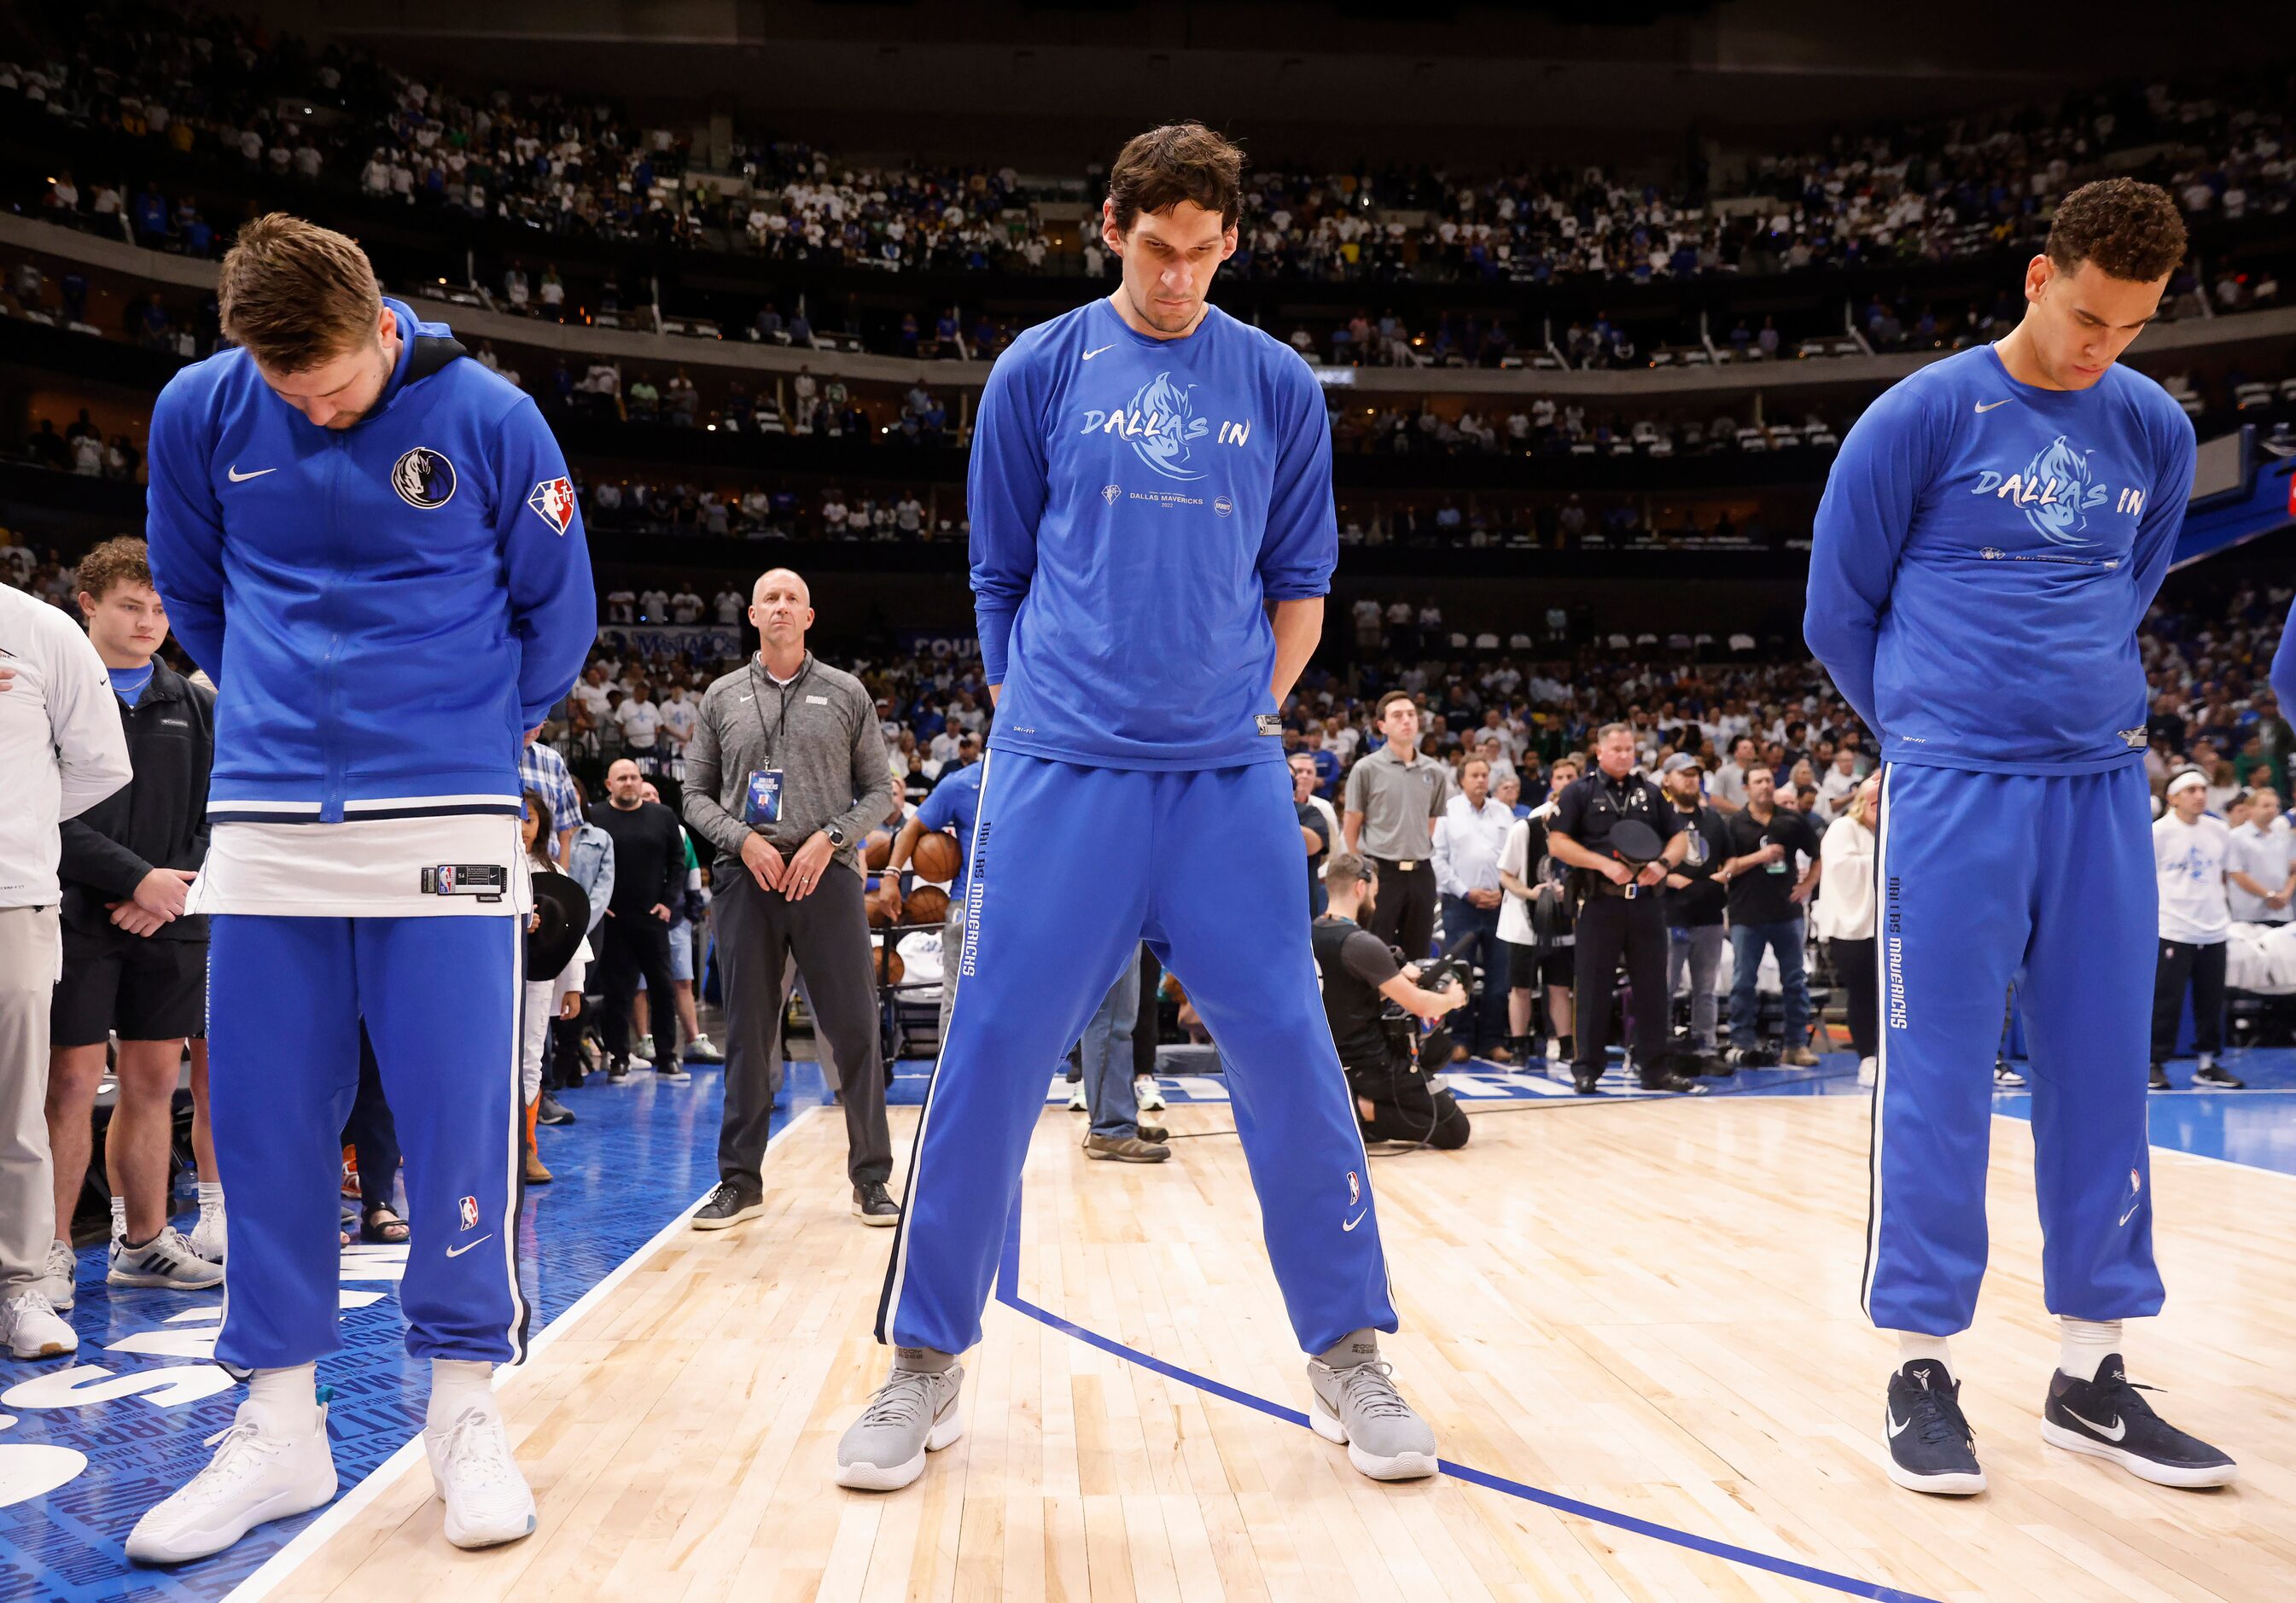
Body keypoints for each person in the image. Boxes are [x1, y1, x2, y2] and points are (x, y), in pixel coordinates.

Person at [843, 124, 1437, 1495]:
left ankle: (1348, 1350)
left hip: (1225, 780)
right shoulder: (1037, 368)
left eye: (1201, 254)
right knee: (988, 1051)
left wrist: (1249, 711)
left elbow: (1301, 585)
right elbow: (996, 571)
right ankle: (922, 1361)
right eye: (1154, 250)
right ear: (1112, 228)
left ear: (1229, 244)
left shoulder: (1278, 383)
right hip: (1059, 776)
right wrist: (1033, 710)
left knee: (1291, 1049)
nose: (1176, 278)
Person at [136, 213, 595, 1559]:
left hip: (444, 807)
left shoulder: (495, 417)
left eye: (335, 384)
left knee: (458, 1116)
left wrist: (454, 728)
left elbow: (556, 611)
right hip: (269, 815)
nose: (318, 409)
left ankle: (462, 1410)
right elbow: (194, 592)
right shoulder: (195, 412)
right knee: (270, 1117)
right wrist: (285, 713)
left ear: (381, 320)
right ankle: (280, 1424)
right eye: (292, 395)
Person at [1805, 178, 2235, 1496]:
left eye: (2135, 325)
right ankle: (1921, 1365)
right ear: (2039, 274)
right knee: (1935, 1072)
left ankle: (2090, 1372)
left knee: (2106, 1068)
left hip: (2100, 786)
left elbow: (2131, 585)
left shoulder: (2152, 429)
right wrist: (1933, 737)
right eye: (2089, 315)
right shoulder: (1923, 413)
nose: (2104, 345)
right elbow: (1837, 609)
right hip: (1956, 789)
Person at [683, 568, 898, 1228]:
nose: (780, 607)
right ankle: (740, 1183)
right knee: (747, 1034)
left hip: (824, 876)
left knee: (856, 1029)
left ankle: (872, 1182)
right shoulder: (720, 697)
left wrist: (827, 840)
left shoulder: (846, 692)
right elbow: (692, 796)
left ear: (809, 616)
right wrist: (745, 841)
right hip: (746, 880)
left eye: (792, 599)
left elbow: (881, 793)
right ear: (752, 615)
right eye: (769, 598)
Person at [43, 538, 224, 1314]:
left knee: (155, 1084)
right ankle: (43, 1256)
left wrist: (167, 889)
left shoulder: (196, 703)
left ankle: (143, 1241)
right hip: (76, 911)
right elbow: (34, 811)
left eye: (159, 608)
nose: (148, 621)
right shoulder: (53, 693)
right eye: (130, 605)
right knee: (70, 1087)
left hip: (170, 915)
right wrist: (132, 879)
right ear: (87, 603)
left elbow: (224, 814)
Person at [0, 575, 132, 1361]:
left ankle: (18, 1286)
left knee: (18, 1107)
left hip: (12, 896)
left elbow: (98, 765)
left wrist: (17, 820)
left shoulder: (41, 628)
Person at [1546, 725, 1698, 1095]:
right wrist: (1600, 864)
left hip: (1646, 902)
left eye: (1630, 749)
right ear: (1599, 752)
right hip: (1600, 901)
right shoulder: (1580, 792)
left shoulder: (1649, 792)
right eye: (1616, 749)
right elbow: (1557, 843)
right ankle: (1587, 1069)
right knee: (1593, 988)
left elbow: (1679, 837)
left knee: (1652, 989)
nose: (1624, 755)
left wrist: (1662, 864)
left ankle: (1655, 1069)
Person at [1317, 854, 1470, 1149]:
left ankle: (1358, 1110)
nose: (1375, 902)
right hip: (1372, 1064)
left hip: (1332, 1062)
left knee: (1391, 1125)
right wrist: (1452, 999)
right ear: (1361, 888)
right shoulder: (1360, 942)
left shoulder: (1311, 934)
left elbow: (1342, 992)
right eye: (1374, 893)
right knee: (1455, 1130)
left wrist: (1390, 983)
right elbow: (1422, 1006)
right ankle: (1361, 1110)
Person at [587, 760, 689, 1080]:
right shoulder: (595, 816)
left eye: (633, 777)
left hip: (652, 917)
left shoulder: (663, 816)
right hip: (613, 918)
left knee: (662, 988)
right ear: (609, 785)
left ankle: (667, 1055)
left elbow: (677, 862)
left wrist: (667, 902)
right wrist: (597, 904)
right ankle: (618, 1057)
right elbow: (585, 861)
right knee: (618, 992)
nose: (629, 782)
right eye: (622, 778)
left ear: (640, 780)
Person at [1717, 767, 1823, 1068]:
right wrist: (1759, 858)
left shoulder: (1790, 819)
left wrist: (1807, 886)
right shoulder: (1735, 824)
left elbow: (1818, 855)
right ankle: (1742, 1043)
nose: (1764, 786)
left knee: (1794, 981)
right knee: (1743, 982)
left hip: (1786, 913)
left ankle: (1795, 1045)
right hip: (1746, 913)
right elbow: (1726, 867)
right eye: (1757, 781)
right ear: (1745, 788)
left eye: (1768, 781)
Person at [2151, 769, 2244, 1090]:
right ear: (2173, 797)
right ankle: (2154, 1063)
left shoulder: (2220, 831)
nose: (2200, 795)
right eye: (2191, 789)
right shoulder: (2159, 832)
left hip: (2214, 928)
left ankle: (2206, 1065)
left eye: (2203, 789)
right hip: (2173, 927)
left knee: (2212, 1001)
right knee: (2166, 1000)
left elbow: (2226, 876)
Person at [1343, 691, 1450, 961]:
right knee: (1376, 952)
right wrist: (1362, 868)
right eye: (1398, 715)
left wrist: (1411, 845)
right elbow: (1353, 822)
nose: (1406, 721)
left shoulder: (1434, 771)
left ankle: (1411, 1006)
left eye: (1411, 715)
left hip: (1421, 871)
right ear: (1382, 725)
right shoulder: (1366, 768)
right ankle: (1375, 1005)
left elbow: (1430, 822)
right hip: (1382, 871)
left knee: (1419, 955)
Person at [1430, 755, 1512, 1062]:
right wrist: (1466, 893)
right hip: (1460, 904)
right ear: (1462, 779)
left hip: (1499, 904)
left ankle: (1493, 1040)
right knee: (1459, 974)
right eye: (1474, 775)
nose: (1480, 780)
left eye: (1484, 775)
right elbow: (1437, 859)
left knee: (1499, 978)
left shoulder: (1503, 813)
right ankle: (1460, 1039)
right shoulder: (1447, 813)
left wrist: (1503, 891)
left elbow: (1515, 857)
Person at [1658, 752, 1729, 1063]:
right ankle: (1658, 1046)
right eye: (1684, 774)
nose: (1691, 780)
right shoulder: (1659, 817)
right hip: (1670, 915)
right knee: (1664, 988)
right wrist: (1665, 875)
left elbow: (1732, 855)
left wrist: (1727, 872)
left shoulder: (1712, 817)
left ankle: (1706, 1047)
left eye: (1695, 774)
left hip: (1709, 915)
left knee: (1706, 990)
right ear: (1667, 780)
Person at [1815, 774, 1882, 1085]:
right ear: (1860, 802)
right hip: (1851, 929)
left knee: (1888, 996)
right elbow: (1841, 868)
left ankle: (1888, 1056)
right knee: (1863, 993)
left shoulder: (1887, 831)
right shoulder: (1844, 828)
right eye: (1873, 801)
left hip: (1884, 926)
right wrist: (1887, 859)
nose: (1879, 806)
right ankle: (1867, 1058)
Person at [1071, 943, 1167, 1161]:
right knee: (1111, 1016)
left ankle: (1122, 1119)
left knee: (1122, 1018)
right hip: (1108, 912)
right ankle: (1111, 1128)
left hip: (1121, 913)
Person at [2224, 782, 2295, 926]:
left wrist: (2286, 894)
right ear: (2250, 809)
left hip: (2282, 910)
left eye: (2276, 806)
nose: (2272, 810)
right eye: (2266, 806)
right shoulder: (2236, 837)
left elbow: (2294, 870)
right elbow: (2237, 873)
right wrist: (2269, 895)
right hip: (2250, 913)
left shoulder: (2285, 837)